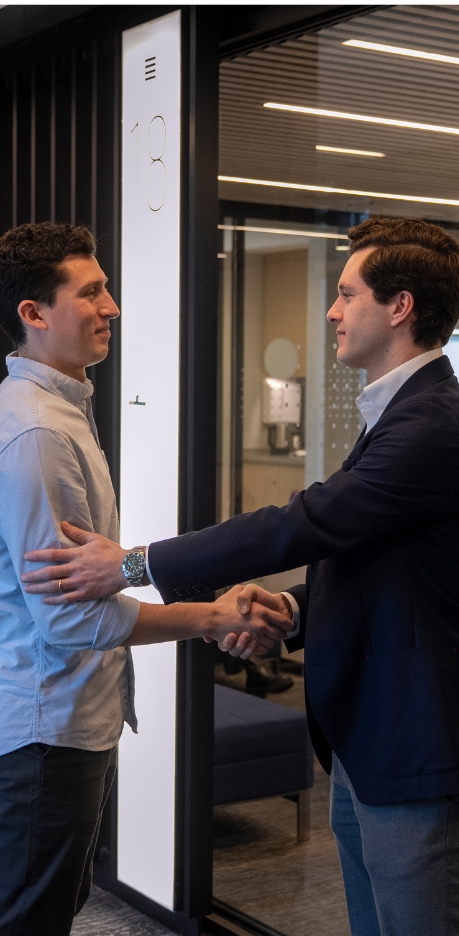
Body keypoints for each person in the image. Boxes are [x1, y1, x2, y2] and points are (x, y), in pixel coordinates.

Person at [23, 217, 459, 936]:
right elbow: (381, 563)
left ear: (400, 306)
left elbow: (303, 522)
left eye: (347, 294)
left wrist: (132, 563)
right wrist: (290, 606)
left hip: (415, 740)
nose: (330, 309)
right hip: (368, 739)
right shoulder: (399, 412)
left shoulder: (431, 423)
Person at [0, 221, 291, 936]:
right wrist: (210, 617)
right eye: (92, 291)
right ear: (32, 315)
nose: (113, 307)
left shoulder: (57, 413)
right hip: (48, 730)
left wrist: (134, 567)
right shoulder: (39, 433)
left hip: (60, 723)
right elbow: (69, 620)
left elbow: (87, 580)